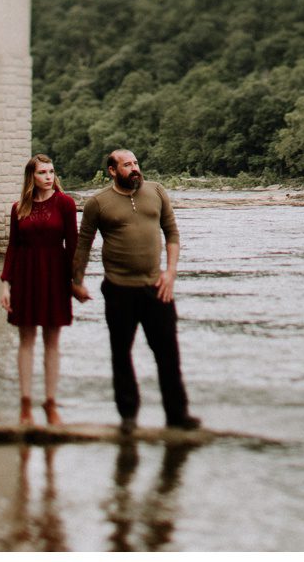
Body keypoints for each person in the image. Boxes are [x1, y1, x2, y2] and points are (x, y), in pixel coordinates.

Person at [71, 149, 200, 432]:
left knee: (168, 353)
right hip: (118, 289)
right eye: (127, 165)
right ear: (113, 171)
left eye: (136, 163)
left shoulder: (156, 191)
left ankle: (177, 415)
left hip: (157, 287)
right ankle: (128, 417)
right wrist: (77, 281)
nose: (134, 168)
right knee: (121, 353)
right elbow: (84, 243)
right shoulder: (98, 203)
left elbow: (172, 233)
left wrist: (170, 272)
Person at [0, 154, 78, 426]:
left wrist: (75, 283)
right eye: (43, 172)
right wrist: (5, 283)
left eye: (52, 171)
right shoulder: (19, 207)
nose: (48, 176)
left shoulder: (65, 204)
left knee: (52, 342)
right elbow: (13, 246)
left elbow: (73, 246)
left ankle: (50, 402)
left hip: (55, 276)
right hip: (25, 276)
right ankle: (25, 404)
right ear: (31, 176)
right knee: (26, 340)